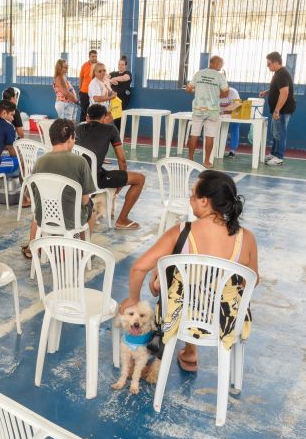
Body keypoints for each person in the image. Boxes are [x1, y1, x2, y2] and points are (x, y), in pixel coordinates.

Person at [120, 170, 259, 372]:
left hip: (182, 318)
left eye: (193, 195)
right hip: (226, 321)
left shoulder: (182, 231)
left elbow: (139, 267)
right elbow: (253, 280)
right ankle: (190, 353)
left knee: (182, 289)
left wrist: (133, 299)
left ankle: (188, 349)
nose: (190, 199)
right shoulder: (246, 237)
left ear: (204, 202)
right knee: (205, 292)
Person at [22, 119, 96, 258]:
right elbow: (85, 200)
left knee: (37, 210)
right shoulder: (80, 162)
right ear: (70, 137)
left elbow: (29, 195)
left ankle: (33, 247)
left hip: (44, 217)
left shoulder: (40, 161)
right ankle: (84, 250)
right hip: (71, 220)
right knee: (91, 208)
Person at [75, 104, 145, 230]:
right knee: (140, 179)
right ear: (104, 117)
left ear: (87, 117)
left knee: (101, 170)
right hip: (94, 180)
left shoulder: (77, 128)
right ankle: (122, 219)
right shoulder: (111, 129)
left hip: (76, 177)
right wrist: (121, 183)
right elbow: (122, 160)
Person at [184, 55, 229, 168]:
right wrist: (216, 94)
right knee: (210, 136)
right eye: (221, 64)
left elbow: (188, 89)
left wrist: (197, 91)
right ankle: (207, 161)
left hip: (198, 109)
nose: (221, 66)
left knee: (194, 134)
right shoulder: (220, 76)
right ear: (216, 63)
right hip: (213, 110)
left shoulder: (199, 73)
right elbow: (225, 93)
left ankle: (190, 159)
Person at [259, 52, 296, 166]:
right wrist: (268, 91)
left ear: (275, 62)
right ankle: (274, 154)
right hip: (278, 110)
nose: (267, 66)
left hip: (283, 110)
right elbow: (278, 88)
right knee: (275, 132)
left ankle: (279, 157)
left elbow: (284, 93)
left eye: (269, 63)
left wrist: (277, 110)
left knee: (280, 133)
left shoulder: (282, 74)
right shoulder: (278, 73)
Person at [220, 81, 242, 157]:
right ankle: (220, 147)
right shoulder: (214, 93)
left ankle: (232, 150)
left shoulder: (233, 92)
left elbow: (237, 105)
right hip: (220, 115)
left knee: (234, 126)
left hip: (233, 114)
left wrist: (227, 111)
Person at [109, 56, 132, 130]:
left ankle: (119, 132)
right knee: (115, 116)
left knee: (119, 115)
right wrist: (110, 81)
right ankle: (117, 132)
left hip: (123, 99)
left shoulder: (127, 73)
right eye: (119, 64)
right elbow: (104, 77)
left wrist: (113, 79)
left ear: (125, 66)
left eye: (122, 64)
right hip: (113, 98)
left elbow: (124, 78)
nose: (120, 66)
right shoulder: (113, 73)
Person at [78, 50, 98, 121]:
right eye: (92, 56)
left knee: (93, 113)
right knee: (84, 112)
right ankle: (82, 129)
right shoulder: (84, 65)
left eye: (95, 56)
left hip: (95, 93)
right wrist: (80, 88)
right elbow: (81, 77)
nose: (94, 58)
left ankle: (92, 129)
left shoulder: (99, 66)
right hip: (84, 92)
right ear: (89, 57)